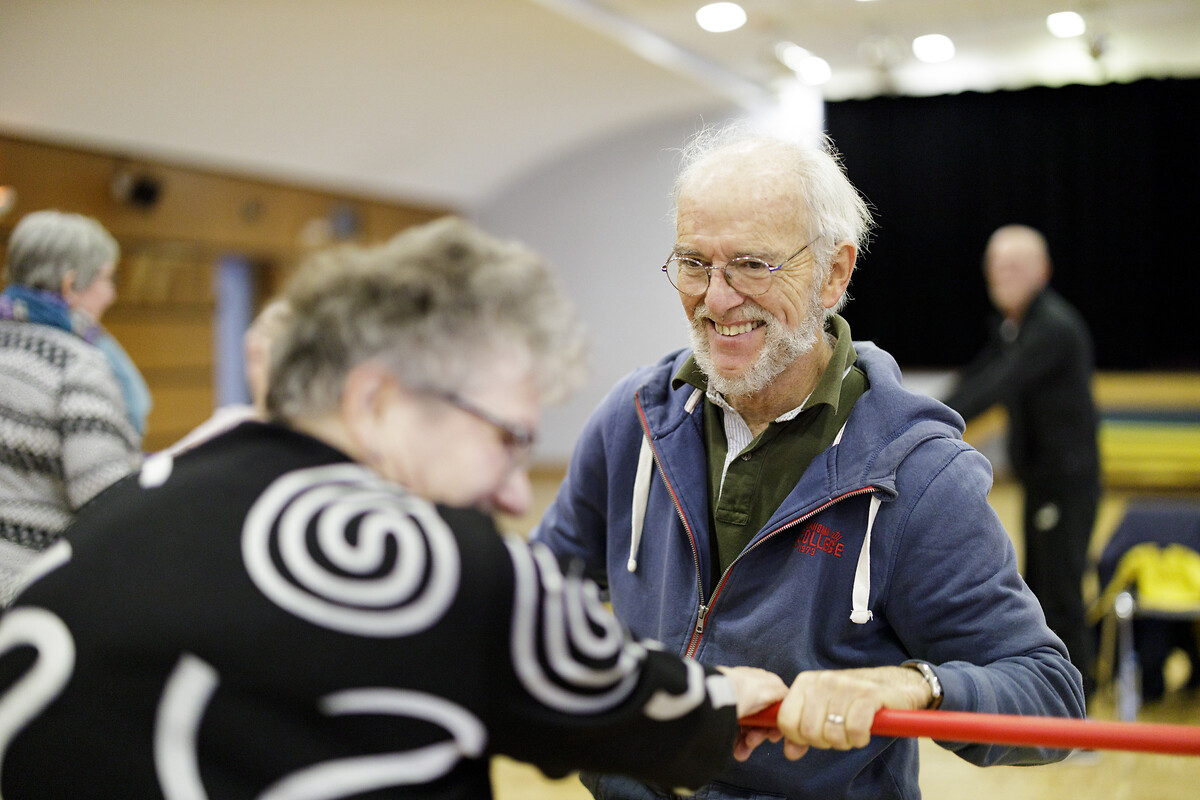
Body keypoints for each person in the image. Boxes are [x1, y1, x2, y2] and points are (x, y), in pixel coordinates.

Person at [0, 217, 787, 799]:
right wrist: (731, 695)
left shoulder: (130, 508)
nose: (516, 492)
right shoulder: (434, 560)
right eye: (505, 439)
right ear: (377, 400)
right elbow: (645, 710)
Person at [532, 128, 1086, 799]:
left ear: (834, 274)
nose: (717, 298)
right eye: (694, 263)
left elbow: (1049, 697)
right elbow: (537, 596)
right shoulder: (634, 419)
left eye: (752, 265)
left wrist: (915, 685)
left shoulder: (917, 475)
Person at [944, 224, 1101, 701]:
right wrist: (920, 413)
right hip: (1042, 482)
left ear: (1042, 271)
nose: (1000, 275)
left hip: (1065, 485)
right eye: (995, 266)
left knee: (1060, 592)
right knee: (1041, 589)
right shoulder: (1015, 326)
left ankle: (1079, 712)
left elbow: (999, 385)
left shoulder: (1051, 327)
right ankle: (1057, 698)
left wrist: (932, 423)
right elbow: (978, 378)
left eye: (1013, 266)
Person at [0, 210, 143, 605]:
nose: (111, 293)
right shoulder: (75, 362)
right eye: (106, 278)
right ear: (70, 284)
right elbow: (103, 492)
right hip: (27, 587)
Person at [162, 296, 291, 455]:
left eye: (258, 358)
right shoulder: (232, 422)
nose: (251, 372)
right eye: (252, 359)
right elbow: (163, 464)